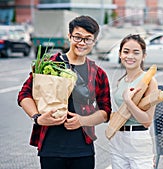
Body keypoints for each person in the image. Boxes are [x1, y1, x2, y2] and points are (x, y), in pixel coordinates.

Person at [17, 15, 111, 169]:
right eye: (77, 37)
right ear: (69, 36)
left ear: (94, 41)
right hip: (50, 147)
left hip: (83, 150)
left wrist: (82, 121)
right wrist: (38, 118)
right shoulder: (49, 64)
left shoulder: (97, 73)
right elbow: (24, 94)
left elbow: (106, 111)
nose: (82, 43)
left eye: (88, 39)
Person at [109, 34, 158, 169]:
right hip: (117, 138)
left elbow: (147, 121)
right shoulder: (121, 81)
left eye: (136, 52)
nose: (130, 56)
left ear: (143, 56)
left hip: (138, 139)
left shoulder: (149, 81)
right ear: (120, 54)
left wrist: (128, 101)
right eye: (126, 52)